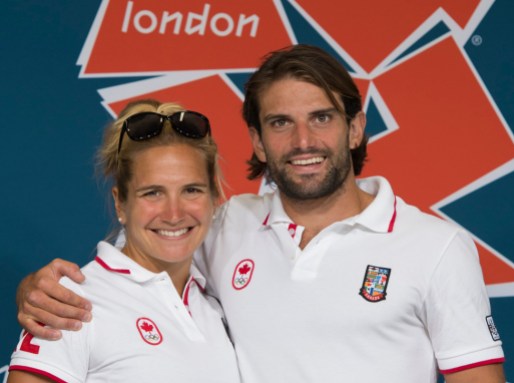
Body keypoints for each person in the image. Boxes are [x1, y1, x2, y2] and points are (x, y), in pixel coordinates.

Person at [15, 45, 505, 382]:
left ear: (355, 128)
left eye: (322, 117)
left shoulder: (436, 247)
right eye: (280, 123)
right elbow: (136, 269)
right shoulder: (224, 225)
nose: (304, 142)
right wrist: (38, 291)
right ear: (257, 140)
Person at [8, 99, 241, 382]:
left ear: (214, 197)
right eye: (153, 193)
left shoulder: (217, 305)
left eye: (191, 190)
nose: (174, 213)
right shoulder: (70, 303)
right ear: (121, 204)